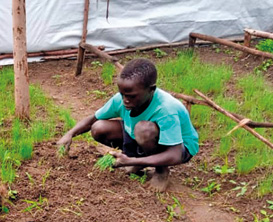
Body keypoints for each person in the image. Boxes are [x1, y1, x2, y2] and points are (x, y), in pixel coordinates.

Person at [56, 58, 199, 191]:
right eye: (122, 94)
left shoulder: (166, 109)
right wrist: (69, 134)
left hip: (180, 147)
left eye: (131, 96)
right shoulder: (122, 98)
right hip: (141, 135)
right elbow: (92, 119)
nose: (125, 100)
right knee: (99, 128)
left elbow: (175, 154)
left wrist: (134, 160)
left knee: (144, 129)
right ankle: (135, 161)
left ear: (151, 90)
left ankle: (161, 171)